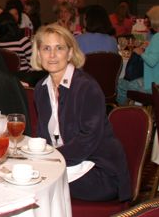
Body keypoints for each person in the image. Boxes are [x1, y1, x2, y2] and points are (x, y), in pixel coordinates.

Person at [30, 23, 130, 202]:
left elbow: (88, 140)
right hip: (66, 165)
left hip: (98, 171)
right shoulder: (41, 88)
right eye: (46, 48)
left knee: (35, 186)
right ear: (38, 54)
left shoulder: (86, 87)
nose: (52, 55)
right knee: (26, 177)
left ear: (69, 53)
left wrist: (51, 160)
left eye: (59, 48)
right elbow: (44, 135)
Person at [117, 6, 159, 105]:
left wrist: (141, 53)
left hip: (152, 86)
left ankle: (122, 111)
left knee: (121, 84)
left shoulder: (157, 37)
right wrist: (149, 47)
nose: (148, 21)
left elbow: (152, 62)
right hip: (156, 83)